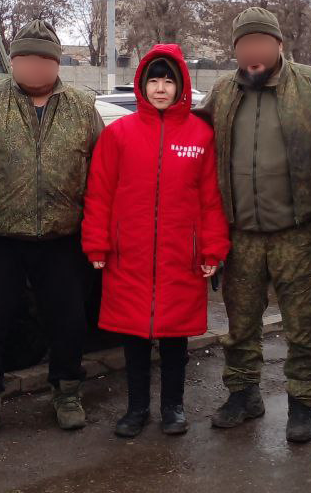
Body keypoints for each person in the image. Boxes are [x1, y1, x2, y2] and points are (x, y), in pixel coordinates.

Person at [0, 20, 103, 443]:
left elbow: (101, 172)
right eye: (26, 59)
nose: (35, 67)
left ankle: (67, 392)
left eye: (44, 59)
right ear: (13, 62)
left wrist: (94, 229)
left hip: (62, 238)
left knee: (68, 321)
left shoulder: (83, 107)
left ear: (55, 63)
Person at [199, 7, 311, 444]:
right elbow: (189, 139)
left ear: (279, 45)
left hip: (296, 231)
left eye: (261, 43)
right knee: (241, 322)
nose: (252, 52)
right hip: (239, 232)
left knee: (302, 323)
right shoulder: (222, 92)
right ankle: (243, 395)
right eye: (244, 44)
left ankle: (302, 403)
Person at [81, 45, 230, 438]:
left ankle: (173, 408)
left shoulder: (200, 135)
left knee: (174, 338)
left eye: (168, 81)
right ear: (141, 85)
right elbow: (100, 192)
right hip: (128, 255)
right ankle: (136, 409)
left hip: (180, 256)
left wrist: (213, 248)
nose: (160, 88)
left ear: (180, 86)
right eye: (154, 80)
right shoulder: (119, 134)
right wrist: (96, 243)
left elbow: (211, 198)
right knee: (133, 338)